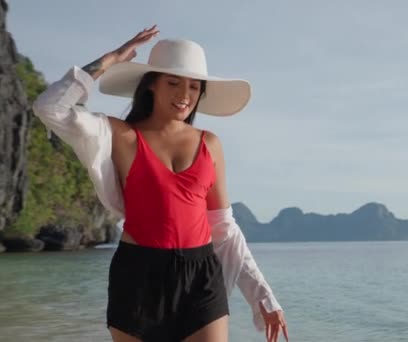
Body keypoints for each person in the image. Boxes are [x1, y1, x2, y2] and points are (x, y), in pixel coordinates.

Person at [32, 25, 289, 342]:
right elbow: (50, 107)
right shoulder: (122, 136)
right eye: (173, 82)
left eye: (194, 87)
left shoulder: (210, 144)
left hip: (201, 277)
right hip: (139, 277)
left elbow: (224, 228)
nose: (184, 95)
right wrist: (111, 60)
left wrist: (263, 297)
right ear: (151, 84)